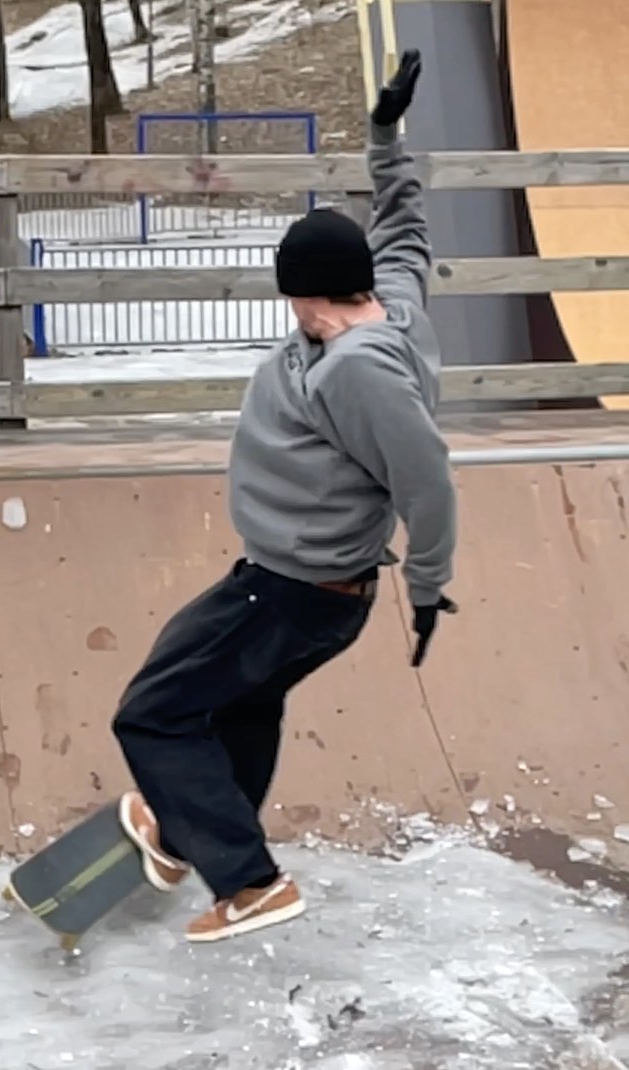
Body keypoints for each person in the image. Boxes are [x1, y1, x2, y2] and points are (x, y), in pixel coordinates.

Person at [112, 50, 457, 944]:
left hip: (291, 590)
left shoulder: (356, 372)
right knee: (241, 706)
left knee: (152, 712)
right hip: (312, 593)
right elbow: (404, 217)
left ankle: (251, 882)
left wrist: (428, 584)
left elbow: (426, 475)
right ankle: (186, 831)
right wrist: (383, 133)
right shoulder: (398, 300)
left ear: (305, 300)